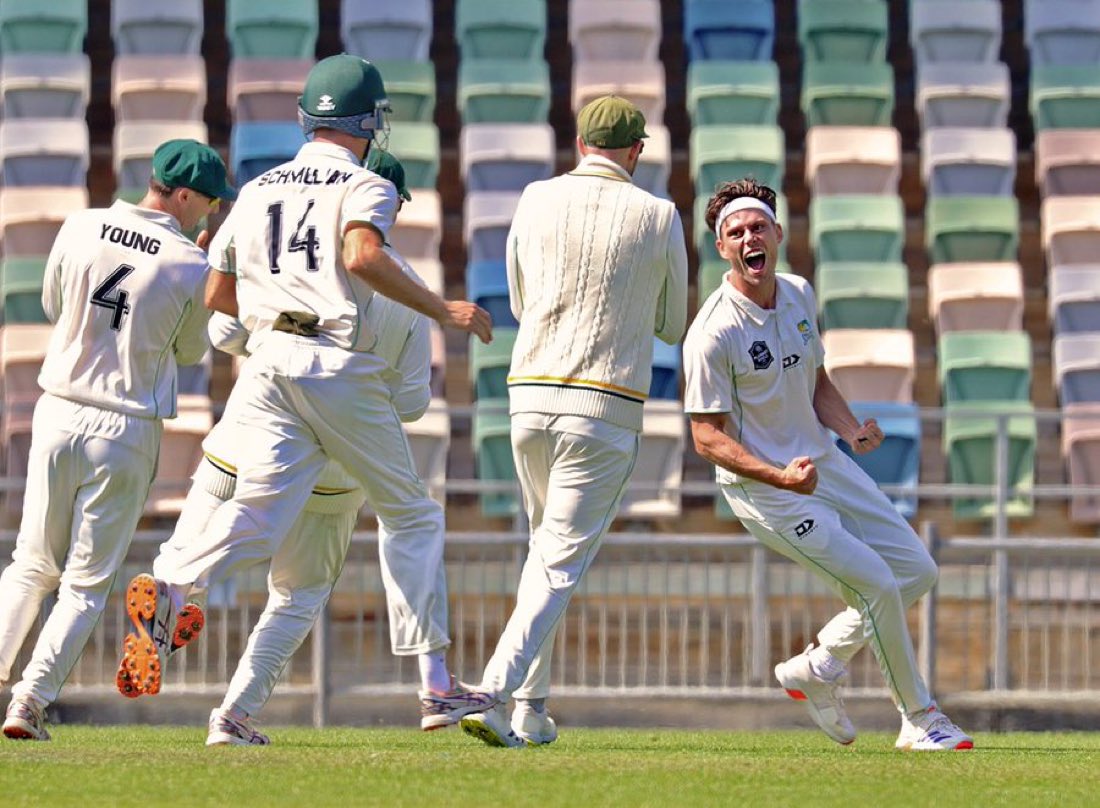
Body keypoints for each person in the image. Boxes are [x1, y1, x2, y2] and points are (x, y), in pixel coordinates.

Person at [116, 55, 495, 731]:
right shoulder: (366, 185)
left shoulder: (259, 188)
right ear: (366, 123)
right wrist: (445, 311)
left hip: (269, 362)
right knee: (412, 515)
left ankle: (173, 586)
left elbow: (217, 295)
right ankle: (435, 683)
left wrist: (270, 317)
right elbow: (360, 258)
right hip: (335, 372)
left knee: (254, 518)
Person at [148, 152, 460, 745]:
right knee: (298, 595)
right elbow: (415, 404)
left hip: (242, 444)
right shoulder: (409, 296)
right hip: (338, 473)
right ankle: (234, 714)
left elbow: (221, 331)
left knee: (231, 530)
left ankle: (172, 581)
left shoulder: (282, 264)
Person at [681, 178, 973, 752]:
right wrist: (778, 476)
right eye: (734, 232)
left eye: (757, 227)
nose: (748, 238)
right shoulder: (712, 332)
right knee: (877, 585)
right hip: (765, 489)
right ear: (722, 248)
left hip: (825, 461)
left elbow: (813, 380)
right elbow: (706, 438)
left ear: (779, 234)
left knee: (917, 571)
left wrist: (851, 429)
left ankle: (818, 667)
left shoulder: (798, 292)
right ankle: (920, 718)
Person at [459, 95, 689, 747]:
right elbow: (672, 323)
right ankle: (495, 693)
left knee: (543, 556)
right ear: (637, 152)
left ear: (580, 144)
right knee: (558, 563)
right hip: (604, 406)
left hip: (528, 396)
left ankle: (531, 706)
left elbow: (521, 294)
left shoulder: (533, 198)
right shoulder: (658, 213)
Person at [0, 139, 237, 741]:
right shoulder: (190, 263)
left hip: (58, 409)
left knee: (30, 565)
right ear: (182, 195)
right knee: (84, 584)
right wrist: (193, 271)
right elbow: (188, 353)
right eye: (207, 204)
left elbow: (54, 304)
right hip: (126, 425)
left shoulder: (82, 224)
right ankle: (29, 702)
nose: (208, 215)